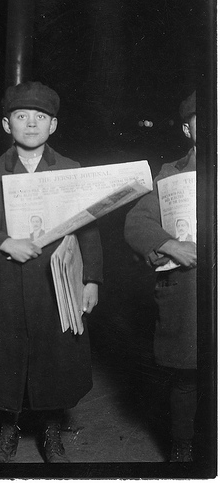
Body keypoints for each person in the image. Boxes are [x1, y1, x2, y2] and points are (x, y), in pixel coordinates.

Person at [0, 81, 103, 463]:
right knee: (4, 362)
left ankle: (52, 434)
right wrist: (5, 242)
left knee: (55, 361)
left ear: (53, 126)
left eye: (41, 117)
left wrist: (91, 280)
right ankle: (6, 432)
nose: (32, 124)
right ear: (7, 125)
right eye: (22, 117)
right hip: (4, 284)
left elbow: (88, 226)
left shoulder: (70, 170)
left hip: (56, 287)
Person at [124, 90, 197, 462]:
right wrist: (170, 245)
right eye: (202, 119)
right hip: (187, 293)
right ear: (187, 129)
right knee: (187, 374)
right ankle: (182, 445)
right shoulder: (170, 175)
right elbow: (137, 221)